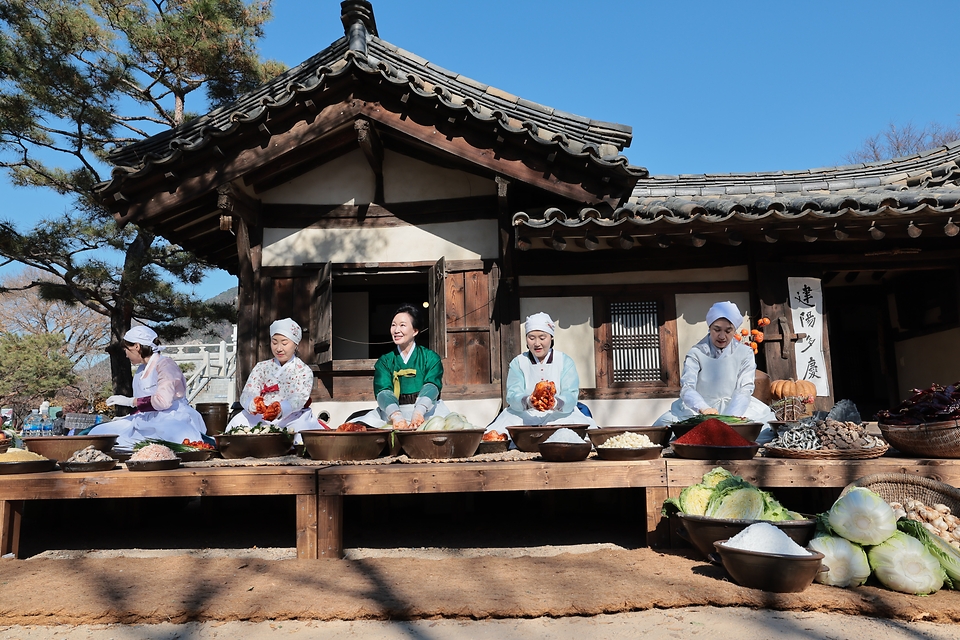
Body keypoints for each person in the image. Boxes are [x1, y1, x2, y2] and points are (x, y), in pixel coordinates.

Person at [654, 301, 775, 442]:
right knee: (663, 427)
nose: (722, 336)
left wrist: (730, 419)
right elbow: (687, 388)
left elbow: (744, 388)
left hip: (736, 407)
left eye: (728, 331)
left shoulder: (745, 353)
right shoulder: (696, 353)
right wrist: (703, 408)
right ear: (710, 328)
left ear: (735, 330)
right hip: (700, 409)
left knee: (765, 429)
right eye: (717, 330)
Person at [88, 326, 207, 448]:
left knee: (172, 438)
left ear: (137, 346)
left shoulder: (166, 365)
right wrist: (129, 416)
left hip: (171, 416)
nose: (126, 355)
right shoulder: (141, 370)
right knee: (99, 432)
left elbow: (163, 402)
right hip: (146, 418)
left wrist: (130, 401)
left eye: (126, 350)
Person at [485, 312, 598, 435]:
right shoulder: (518, 362)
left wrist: (555, 403)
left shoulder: (564, 361)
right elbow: (513, 394)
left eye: (542, 338)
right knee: (502, 430)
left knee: (574, 429)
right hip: (525, 414)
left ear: (551, 337)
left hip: (558, 414)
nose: (537, 343)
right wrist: (528, 401)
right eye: (531, 338)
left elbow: (570, 394)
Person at [357, 304, 449, 429]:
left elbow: (432, 385)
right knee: (358, 426)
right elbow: (383, 391)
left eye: (402, 325)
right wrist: (396, 415)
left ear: (415, 331)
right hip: (392, 412)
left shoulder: (431, 358)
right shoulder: (385, 361)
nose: (396, 330)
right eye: (393, 325)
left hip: (428, 411)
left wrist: (419, 411)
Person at [225, 318, 318, 440]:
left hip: (292, 416)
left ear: (296, 344)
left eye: (284, 343)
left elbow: (299, 398)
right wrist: (252, 404)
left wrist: (280, 409)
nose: (279, 348)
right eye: (274, 343)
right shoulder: (261, 367)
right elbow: (248, 392)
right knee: (238, 422)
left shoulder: (303, 370)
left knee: (301, 429)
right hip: (261, 416)